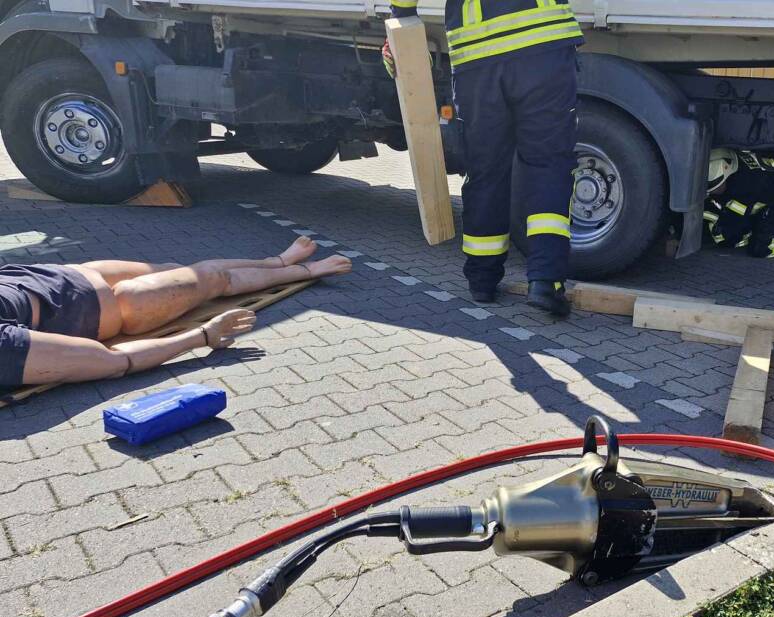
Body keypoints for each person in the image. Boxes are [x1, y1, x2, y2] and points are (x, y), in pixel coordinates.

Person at [384, 0, 583, 317]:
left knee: (485, 171)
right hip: (544, 49)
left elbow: (405, 9)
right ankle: (546, 282)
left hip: (476, 58)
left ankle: (482, 280)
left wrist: (401, 18)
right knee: (548, 166)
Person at [0, 237, 351, 387]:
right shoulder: (5, 351)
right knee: (212, 277)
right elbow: (111, 360)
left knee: (180, 268)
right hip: (121, 305)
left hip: (70, 274)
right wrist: (200, 337)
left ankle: (273, 261)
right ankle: (306, 271)